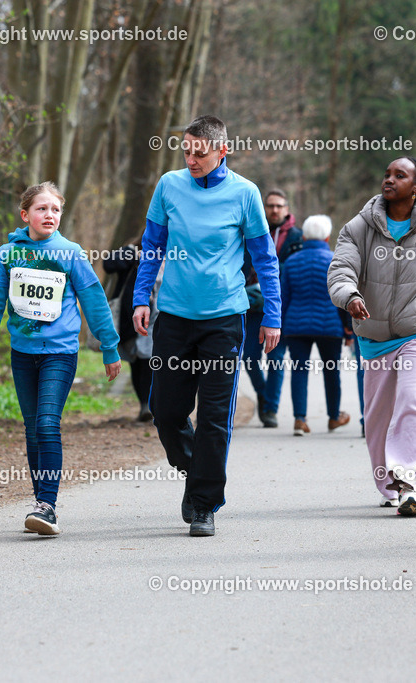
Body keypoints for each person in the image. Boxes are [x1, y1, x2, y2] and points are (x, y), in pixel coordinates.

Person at [133, 115, 281, 537]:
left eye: (201, 152)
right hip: (175, 318)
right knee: (165, 410)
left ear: (222, 151)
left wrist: (273, 315)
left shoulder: (245, 194)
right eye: (187, 150)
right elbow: (152, 246)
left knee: (216, 416)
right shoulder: (169, 186)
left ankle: (203, 503)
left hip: (224, 320)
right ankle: (197, 468)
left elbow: (266, 260)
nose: (192, 158)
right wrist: (141, 297)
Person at [0, 181, 122, 536]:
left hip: (60, 353)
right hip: (23, 354)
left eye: (55, 209)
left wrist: (109, 346)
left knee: (46, 423)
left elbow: (95, 302)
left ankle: (47, 507)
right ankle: (41, 502)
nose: (50, 215)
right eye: (42, 209)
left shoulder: (71, 253)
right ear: (25, 215)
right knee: (31, 429)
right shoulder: (8, 254)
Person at [329, 157, 416, 517]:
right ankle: (387, 482)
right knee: (376, 417)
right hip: (375, 337)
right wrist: (351, 296)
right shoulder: (358, 228)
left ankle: (408, 482)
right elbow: (341, 269)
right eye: (387, 174)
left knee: (413, 402)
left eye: (400, 175)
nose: (389, 180)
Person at [280, 214, 353, 435]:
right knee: (332, 372)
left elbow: (283, 298)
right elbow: (344, 299)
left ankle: (300, 420)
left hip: (296, 326)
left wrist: (280, 325)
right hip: (329, 326)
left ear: (303, 236)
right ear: (328, 236)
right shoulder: (335, 260)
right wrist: (348, 328)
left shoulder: (292, 262)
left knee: (299, 371)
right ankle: (333, 417)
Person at [242, 189, 302, 428]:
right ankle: (263, 392)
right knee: (250, 357)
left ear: (287, 209)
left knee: (276, 358)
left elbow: (296, 269)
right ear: (264, 208)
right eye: (270, 206)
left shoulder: (297, 237)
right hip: (252, 307)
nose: (274, 210)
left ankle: (270, 410)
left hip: (281, 307)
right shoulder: (250, 232)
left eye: (279, 206)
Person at [103, 240, 157, 421]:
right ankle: (145, 405)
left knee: (152, 362)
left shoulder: (175, 254)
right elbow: (108, 264)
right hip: (132, 318)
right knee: (138, 362)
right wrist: (134, 255)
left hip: (161, 318)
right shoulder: (132, 252)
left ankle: (152, 405)